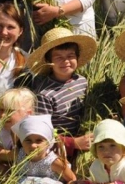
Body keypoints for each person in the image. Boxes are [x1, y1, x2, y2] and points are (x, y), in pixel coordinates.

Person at [27, 26, 97, 159]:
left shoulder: (82, 81)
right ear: (49, 61)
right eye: (58, 57)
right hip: (58, 152)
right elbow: (42, 132)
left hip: (85, 142)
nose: (65, 61)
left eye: (70, 56)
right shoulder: (45, 94)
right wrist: (73, 143)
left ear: (77, 57)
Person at [11, 113, 75, 184]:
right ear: (22, 142)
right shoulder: (20, 155)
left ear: (48, 142)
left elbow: (72, 179)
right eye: (28, 140)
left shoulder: (53, 162)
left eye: (39, 140)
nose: (33, 145)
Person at [0, 86, 36, 172]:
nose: (3, 115)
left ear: (28, 113)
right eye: (1, 110)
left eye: (10, 111)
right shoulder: (0, 130)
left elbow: (14, 156)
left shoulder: (33, 132)